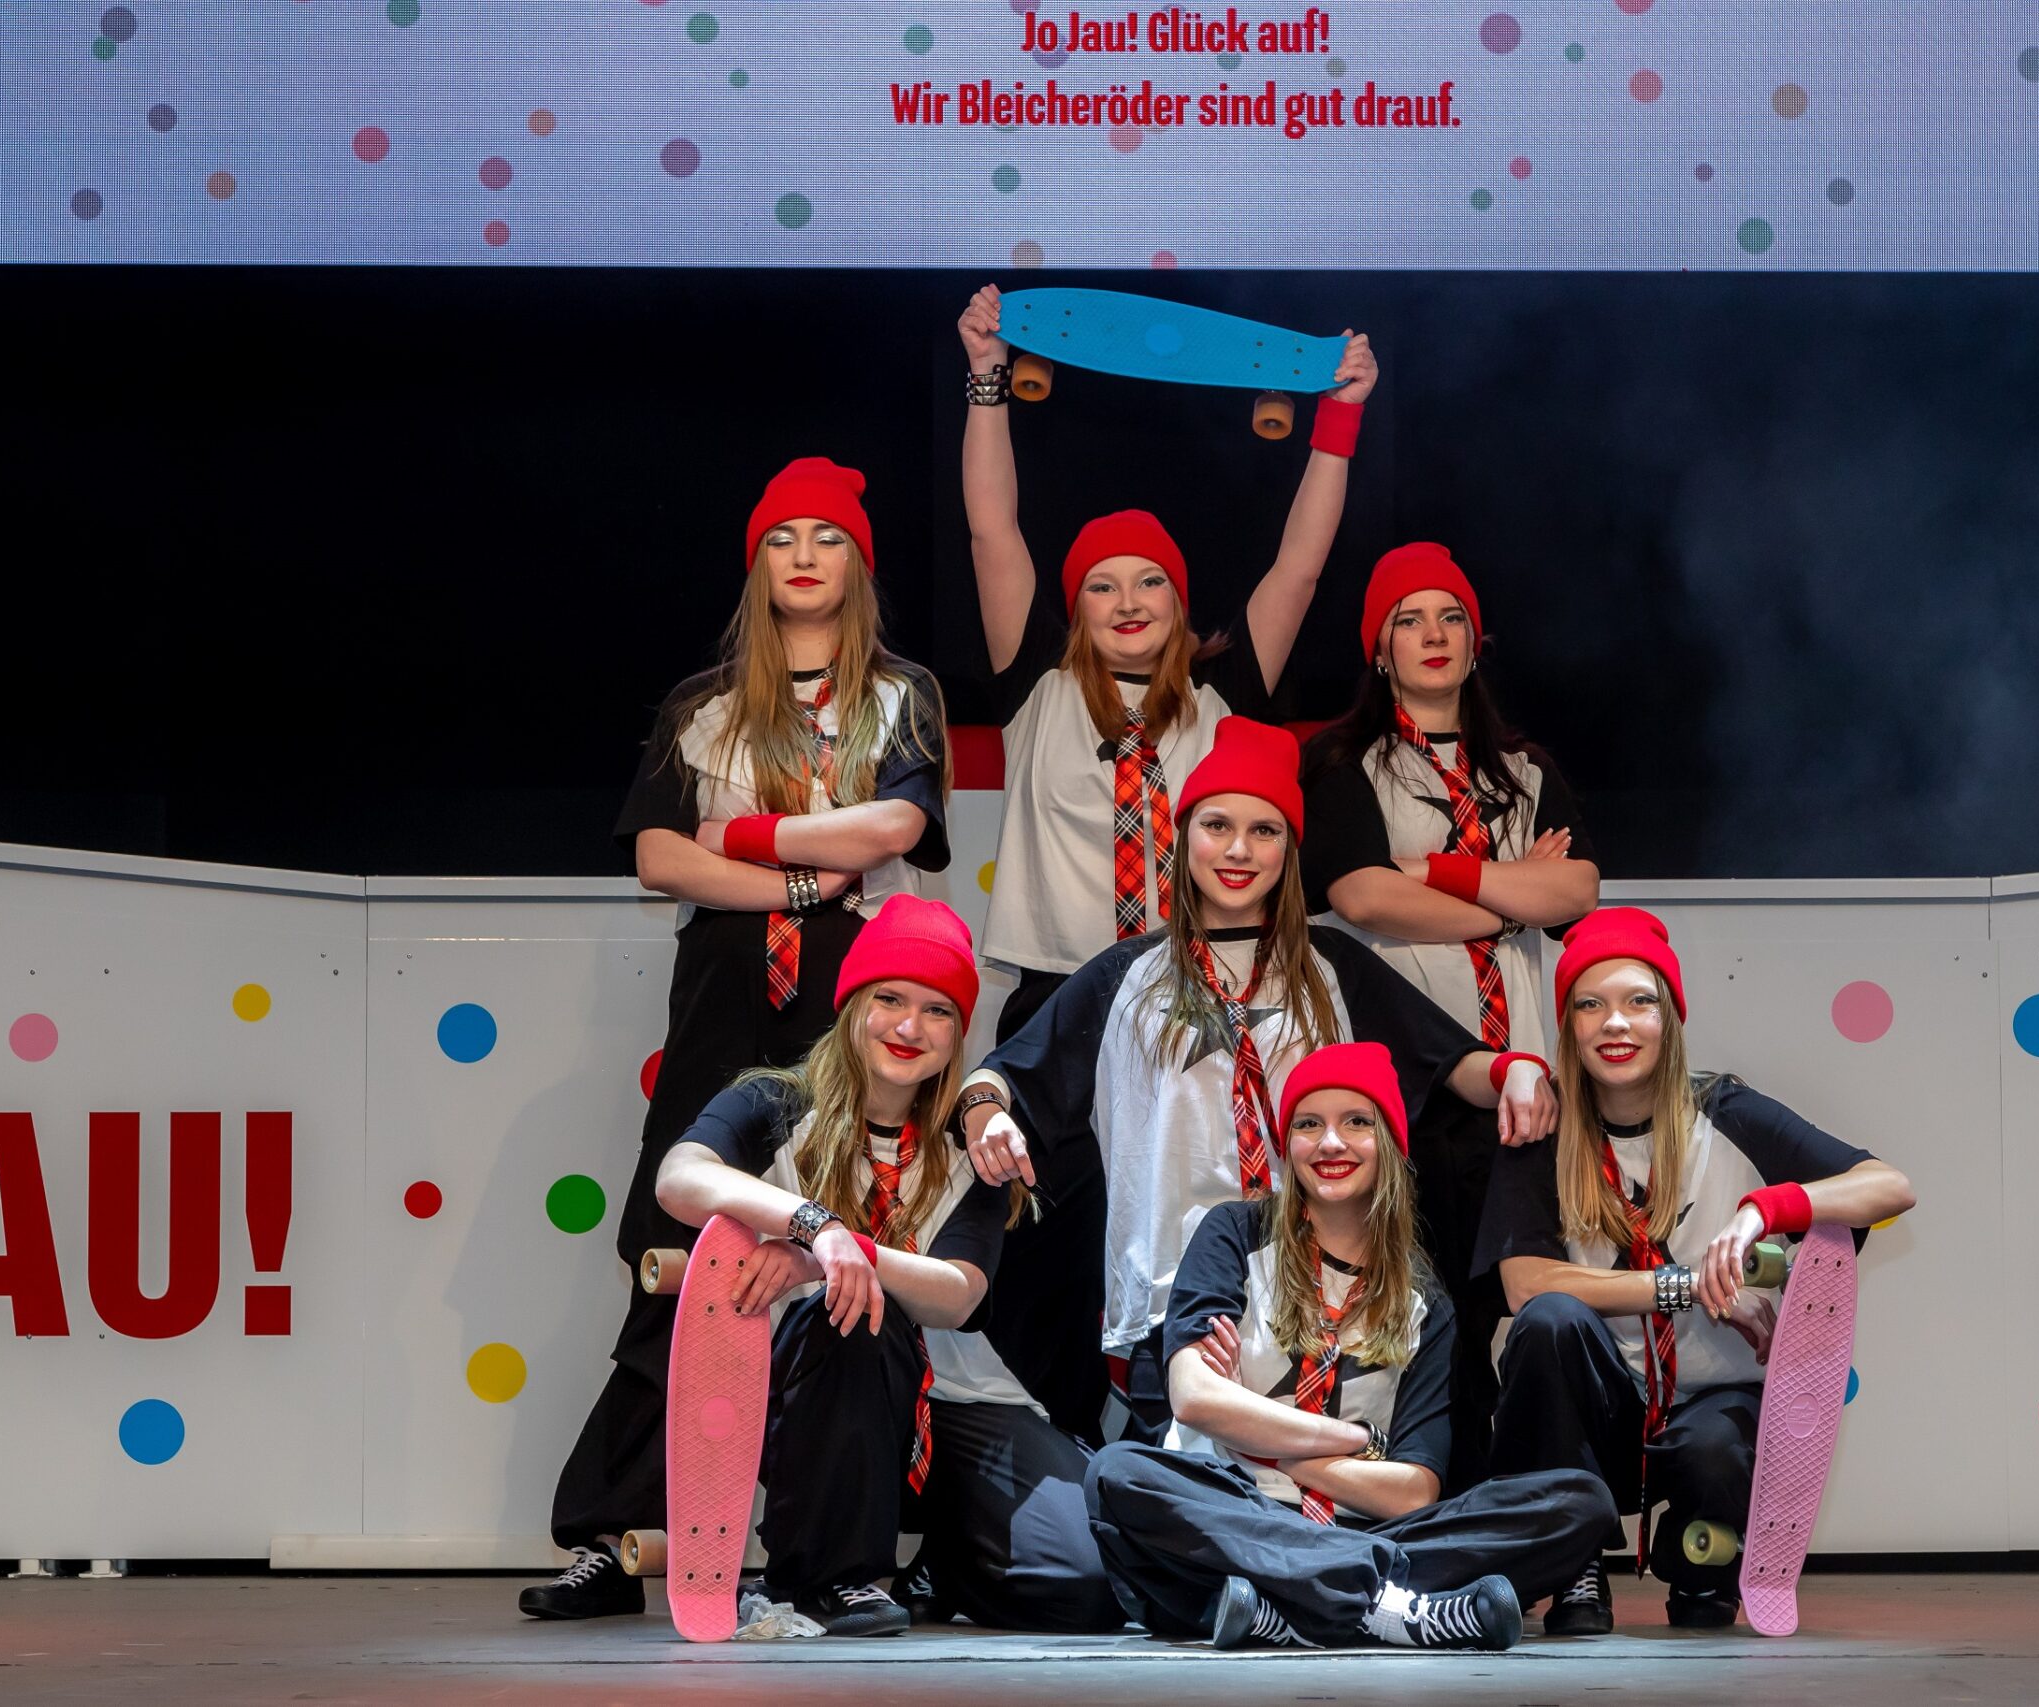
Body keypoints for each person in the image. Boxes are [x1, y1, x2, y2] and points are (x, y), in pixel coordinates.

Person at [524, 459, 951, 1619]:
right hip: (724, 995)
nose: (804, 556)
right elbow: (660, 856)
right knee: (676, 1259)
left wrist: (746, 836)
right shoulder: (701, 703)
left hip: (850, 1004)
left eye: (828, 537)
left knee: (836, 1258)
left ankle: (829, 1552)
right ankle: (614, 1541)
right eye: (781, 538)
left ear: (859, 563)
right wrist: (801, 883)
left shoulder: (900, 693)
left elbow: (894, 825)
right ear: (756, 563)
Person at [955, 285, 1376, 1439]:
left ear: (1181, 605)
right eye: (1102, 584)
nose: (1127, 601)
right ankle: (1062, 1459)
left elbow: (1299, 566)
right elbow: (994, 531)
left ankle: (1208, 1445)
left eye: (1150, 583)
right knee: (1039, 1256)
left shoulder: (1225, 703)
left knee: (1201, 1243)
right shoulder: (1036, 692)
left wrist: (1338, 417)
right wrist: (986, 376)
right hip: (1064, 997)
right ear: (1075, 607)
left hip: (1198, 999)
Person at [958, 716, 1559, 1443]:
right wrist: (986, 1111)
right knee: (1180, 1491)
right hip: (1174, 1303)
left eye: (1264, 830)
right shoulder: (1125, 976)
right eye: (1217, 825)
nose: (1239, 850)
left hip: (1321, 1292)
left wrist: (1516, 1067)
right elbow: (999, 1079)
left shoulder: (1333, 965)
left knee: (1318, 1486)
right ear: (1183, 837)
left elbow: (1449, 1063)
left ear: (1289, 849)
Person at [647, 896, 1122, 1637]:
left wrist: (850, 1251)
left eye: (937, 1010)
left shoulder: (968, 1145)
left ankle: (950, 1561)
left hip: (957, 1397)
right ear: (852, 1006)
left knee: (1088, 1587)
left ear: (958, 1032)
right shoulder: (777, 1100)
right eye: (890, 999)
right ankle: (819, 1579)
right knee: (851, 1311)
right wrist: (818, 1228)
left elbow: (958, 1295)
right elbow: (678, 1177)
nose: (909, 1027)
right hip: (810, 1391)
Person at [1083, 1043, 1618, 1651]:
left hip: (1340, 1533)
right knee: (1120, 1474)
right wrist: (1359, 1440)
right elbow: (1194, 1399)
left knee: (1579, 1503)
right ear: (1288, 1144)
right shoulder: (1232, 1233)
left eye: (1356, 1122)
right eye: (1309, 1124)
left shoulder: (1425, 1301)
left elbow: (1413, 1491)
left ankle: (1285, 1610)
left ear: (1388, 1143)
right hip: (1235, 1507)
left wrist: (1262, 1442)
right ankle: (1392, 1608)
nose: (1330, 1143)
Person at [1477, 909, 1917, 1632]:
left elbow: (1890, 1186)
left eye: (1639, 1001)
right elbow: (1527, 1285)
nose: (1615, 1023)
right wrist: (1685, 1286)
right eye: (1590, 1005)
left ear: (1671, 1018)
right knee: (1549, 1322)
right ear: (1569, 1026)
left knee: (1707, 1581)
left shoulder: (1725, 1110)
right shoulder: (1545, 1129)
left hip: (1709, 1409)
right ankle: (1572, 1557)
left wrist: (1764, 1210)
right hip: (1599, 1415)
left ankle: (1701, 1561)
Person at [1299, 540, 1600, 1482]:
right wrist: (1512, 893)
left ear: (1477, 642)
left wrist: (1432, 870)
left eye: (1452, 617)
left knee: (1523, 1307)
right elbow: (1362, 897)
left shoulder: (1523, 768)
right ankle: (1428, 1503)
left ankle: (1528, 1510)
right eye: (1409, 619)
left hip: (1525, 1087)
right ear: (1379, 648)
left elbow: (1577, 891)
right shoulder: (1342, 762)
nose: (1433, 634)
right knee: (1422, 1309)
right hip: (1412, 1084)